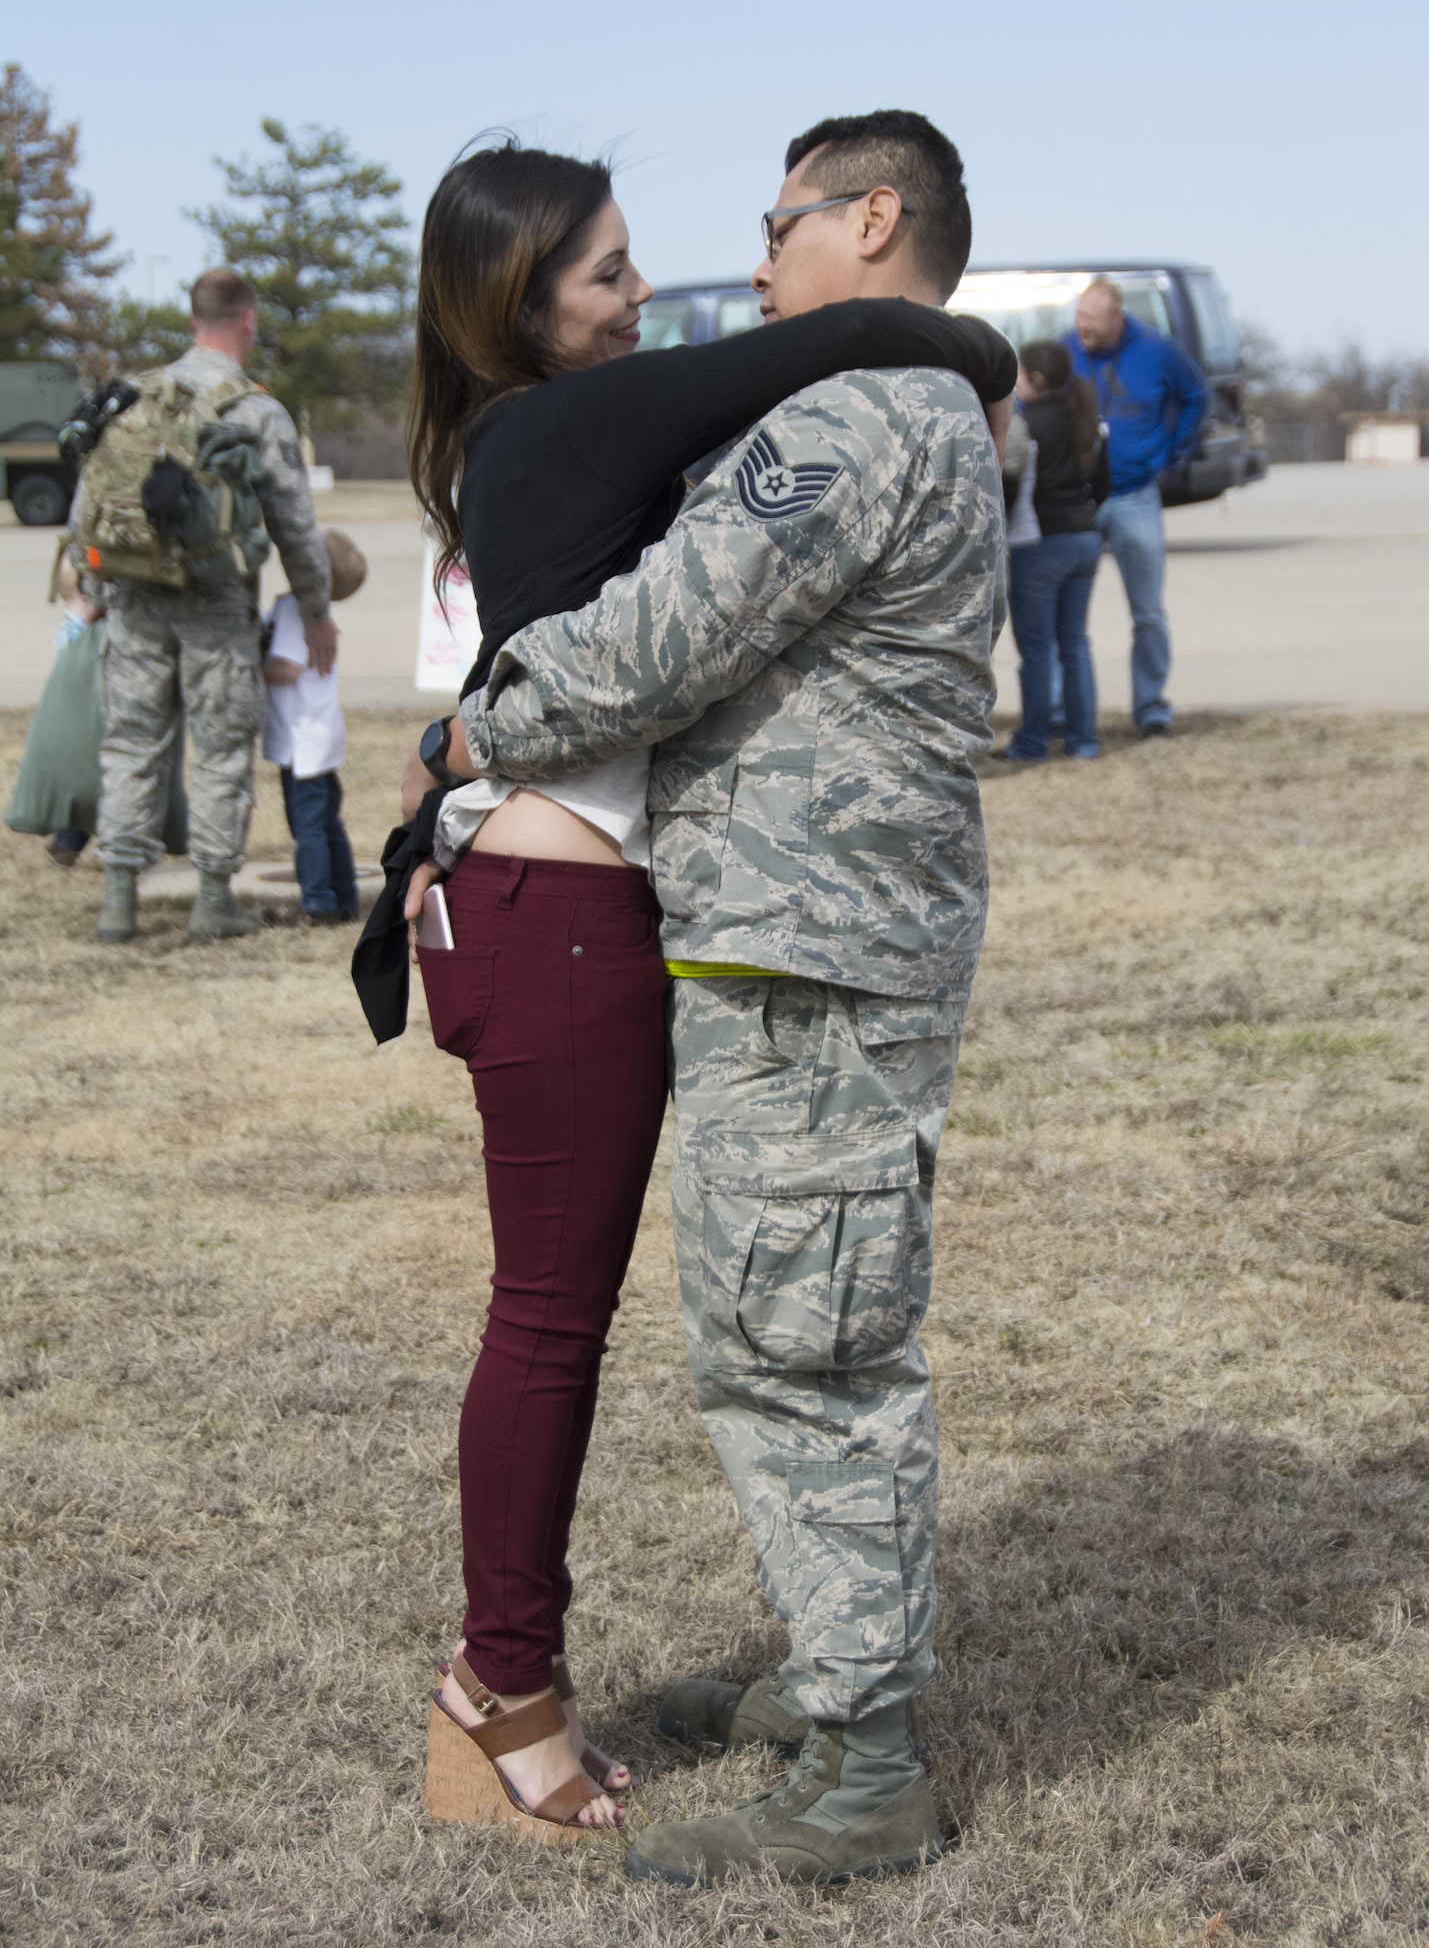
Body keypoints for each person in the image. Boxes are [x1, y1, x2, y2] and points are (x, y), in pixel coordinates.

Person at [380, 138, 1016, 1841]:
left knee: (796, 1342)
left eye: (775, 221)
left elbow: (655, 642)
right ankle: (816, 1691)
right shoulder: (884, 402)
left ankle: (850, 1746)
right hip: (766, 929)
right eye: (613, 266)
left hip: (795, 941)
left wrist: (468, 728)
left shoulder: (857, 412)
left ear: (868, 220)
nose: (724, 265)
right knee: (770, 1326)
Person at [76, 267, 336, 944]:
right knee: (221, 747)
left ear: (192, 321)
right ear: (247, 320)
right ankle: (214, 896)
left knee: (131, 740)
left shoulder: (133, 396)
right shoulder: (255, 409)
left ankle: (119, 899)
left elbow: (86, 509)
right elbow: (296, 528)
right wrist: (315, 610)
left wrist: (98, 589)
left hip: (132, 598)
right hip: (216, 604)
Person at [1066, 276, 1207, 737]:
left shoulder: (1158, 351)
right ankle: (1062, 713)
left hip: (1135, 496)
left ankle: (1150, 708)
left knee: (1147, 612)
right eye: (1078, 316)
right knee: (1065, 615)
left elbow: (1195, 396)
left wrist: (1170, 454)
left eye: (1090, 319)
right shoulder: (1065, 350)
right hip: (1078, 501)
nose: (1080, 326)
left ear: (1116, 318)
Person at [3, 555, 188, 866]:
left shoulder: (78, 632)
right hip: (110, 732)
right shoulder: (87, 634)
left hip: (93, 737)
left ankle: (70, 843)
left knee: (89, 789)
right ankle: (109, 846)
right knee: (118, 784)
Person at [995, 339, 1110, 763]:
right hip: (1085, 537)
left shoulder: (1026, 426)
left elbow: (1009, 485)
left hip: (1040, 542)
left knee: (1037, 650)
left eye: (1020, 374)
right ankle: (1083, 741)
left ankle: (1032, 742)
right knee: (1075, 644)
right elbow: (1103, 484)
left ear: (1036, 378)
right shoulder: (1086, 419)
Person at [261, 528, 365, 924]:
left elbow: (286, 668)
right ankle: (344, 896)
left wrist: (253, 664)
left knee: (307, 827)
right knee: (327, 821)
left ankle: (317, 902)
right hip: (321, 736)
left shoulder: (293, 609)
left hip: (301, 739)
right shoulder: (320, 614)